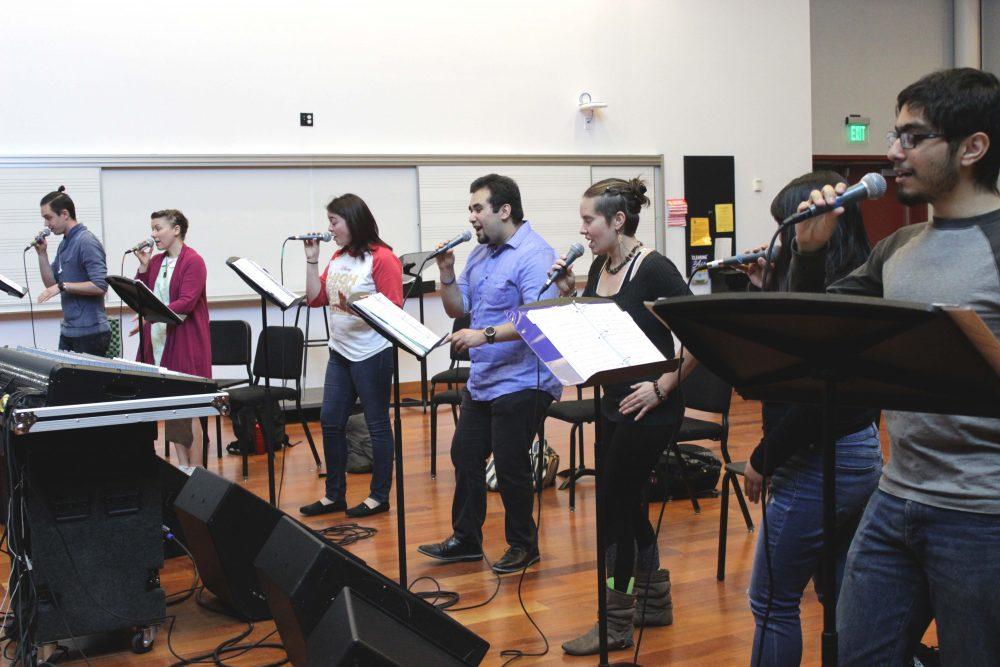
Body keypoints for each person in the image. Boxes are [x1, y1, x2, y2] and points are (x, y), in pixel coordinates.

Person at [789, 68, 1000, 665]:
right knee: (858, 655)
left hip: (982, 511)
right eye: (893, 135)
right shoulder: (898, 249)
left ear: (972, 148)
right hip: (896, 494)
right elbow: (816, 329)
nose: (891, 153)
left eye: (912, 137)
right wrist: (809, 251)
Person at [739, 172, 881, 667]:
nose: (783, 236)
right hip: (852, 453)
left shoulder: (851, 288)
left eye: (789, 226)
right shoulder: (841, 279)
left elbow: (810, 396)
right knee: (837, 596)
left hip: (822, 453)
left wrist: (763, 457)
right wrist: (765, 289)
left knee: (772, 600)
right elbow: (779, 370)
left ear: (820, 227)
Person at [556, 177, 695, 656]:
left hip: (652, 411)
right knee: (627, 501)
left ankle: (615, 621)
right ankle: (652, 599)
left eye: (589, 219)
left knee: (614, 505)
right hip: (613, 404)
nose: (583, 229)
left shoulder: (654, 269)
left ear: (618, 220)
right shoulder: (598, 266)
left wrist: (663, 386)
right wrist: (565, 293)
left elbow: (698, 334)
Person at [417, 173, 561, 575]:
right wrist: (446, 272)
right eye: (470, 209)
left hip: (524, 378)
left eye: (478, 208)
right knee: (464, 454)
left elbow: (540, 318)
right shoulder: (479, 254)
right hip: (485, 379)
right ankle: (465, 540)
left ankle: (523, 545)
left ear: (504, 210)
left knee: (511, 460)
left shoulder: (535, 255)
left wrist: (483, 336)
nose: (472, 218)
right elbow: (455, 307)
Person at [298, 194, 402, 519]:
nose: (330, 228)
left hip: (372, 353)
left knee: (377, 426)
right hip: (340, 352)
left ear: (352, 222)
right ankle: (334, 496)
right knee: (330, 422)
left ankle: (378, 496)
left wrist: (362, 303)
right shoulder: (339, 257)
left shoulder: (382, 258)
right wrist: (312, 261)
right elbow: (315, 299)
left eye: (334, 222)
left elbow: (394, 308)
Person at [134, 209, 212, 471]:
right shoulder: (156, 261)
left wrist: (152, 317)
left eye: (158, 228)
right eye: (152, 229)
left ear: (176, 229)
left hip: (185, 341)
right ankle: (182, 466)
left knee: (189, 407)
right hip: (158, 340)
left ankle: (197, 469)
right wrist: (143, 269)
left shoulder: (194, 261)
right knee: (172, 407)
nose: (153, 234)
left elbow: (187, 302)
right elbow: (142, 294)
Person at [35, 186, 111, 355]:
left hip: (91, 333)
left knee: (86, 383)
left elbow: (100, 285)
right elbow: (51, 284)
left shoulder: (86, 241)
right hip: (69, 330)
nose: (46, 225)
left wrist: (64, 286)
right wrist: (42, 254)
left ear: (64, 214)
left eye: (49, 218)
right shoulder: (64, 243)